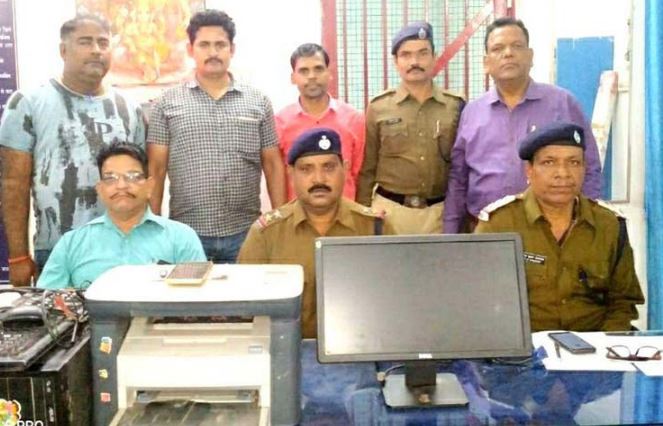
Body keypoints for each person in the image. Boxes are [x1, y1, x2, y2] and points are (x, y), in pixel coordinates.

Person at [0, 14, 146, 286]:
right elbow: (12, 184)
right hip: (56, 250)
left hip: (123, 249)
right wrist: (18, 256)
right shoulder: (27, 103)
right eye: (85, 42)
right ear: (63, 50)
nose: (96, 50)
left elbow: (140, 183)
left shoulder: (130, 109)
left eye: (103, 43)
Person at [475, 122, 644, 332]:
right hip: (525, 346)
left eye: (574, 162)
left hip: (594, 344)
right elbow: (482, 301)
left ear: (584, 169)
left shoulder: (608, 224)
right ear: (529, 170)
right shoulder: (499, 224)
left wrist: (604, 344)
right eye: (549, 162)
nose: (563, 173)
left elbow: (623, 302)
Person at [147, 9, 286, 263]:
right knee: (189, 291)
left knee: (246, 290)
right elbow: (156, 170)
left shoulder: (258, 102)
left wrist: (278, 222)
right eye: (204, 45)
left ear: (232, 49)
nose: (213, 52)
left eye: (220, 45)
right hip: (187, 235)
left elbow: (273, 164)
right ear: (191, 49)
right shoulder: (166, 103)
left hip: (246, 233)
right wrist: (153, 228)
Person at [444, 17, 603, 233]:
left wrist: (585, 223)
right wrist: (450, 232)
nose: (508, 53)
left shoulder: (562, 103)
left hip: (550, 231)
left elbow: (590, 166)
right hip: (484, 230)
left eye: (517, 46)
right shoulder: (472, 113)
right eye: (498, 48)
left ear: (530, 56)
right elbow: (458, 179)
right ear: (486, 63)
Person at [238, 128, 393, 338]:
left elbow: (394, 301)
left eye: (329, 167)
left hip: (362, 346)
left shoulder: (375, 229)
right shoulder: (266, 234)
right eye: (306, 169)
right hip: (287, 349)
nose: (319, 179)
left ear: (345, 169)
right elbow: (246, 310)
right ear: (291, 173)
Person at [38, 143, 205, 289]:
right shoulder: (72, 243)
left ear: (149, 186)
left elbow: (196, 301)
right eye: (110, 178)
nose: (121, 186)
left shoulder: (181, 238)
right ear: (100, 189)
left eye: (132, 177)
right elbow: (47, 303)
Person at [357, 21, 464, 234]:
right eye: (406, 55)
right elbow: (367, 169)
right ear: (395, 62)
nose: (414, 62)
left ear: (434, 57)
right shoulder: (379, 107)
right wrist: (364, 215)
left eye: (422, 53)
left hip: (439, 214)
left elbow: (461, 169)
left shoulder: (455, 106)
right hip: (390, 213)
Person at [275, 43, 365, 201]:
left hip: (345, 212)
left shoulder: (354, 119)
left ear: (329, 73)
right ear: (293, 78)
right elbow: (278, 175)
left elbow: (360, 173)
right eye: (304, 71)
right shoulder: (280, 122)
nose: (312, 76)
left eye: (318, 69)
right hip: (298, 213)